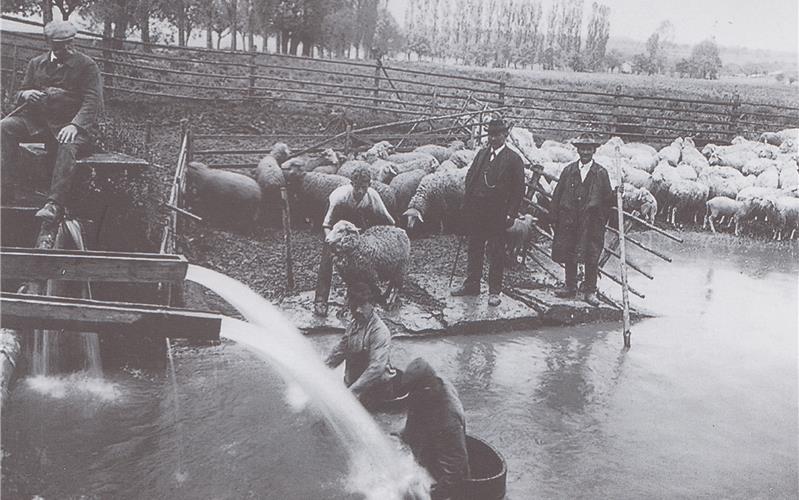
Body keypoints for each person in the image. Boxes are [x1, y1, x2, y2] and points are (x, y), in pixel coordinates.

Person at [1, 20, 103, 222]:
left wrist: (75, 125)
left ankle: (54, 204)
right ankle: (6, 188)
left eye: (70, 42)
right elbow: (19, 92)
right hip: (40, 124)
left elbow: (93, 101)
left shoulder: (87, 65)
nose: (66, 47)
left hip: (74, 127)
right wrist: (26, 94)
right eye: (60, 43)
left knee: (66, 143)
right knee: (4, 127)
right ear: (49, 43)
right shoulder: (36, 63)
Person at [451, 117, 525, 306]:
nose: (492, 138)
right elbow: (471, 177)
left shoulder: (514, 159)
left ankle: (494, 291)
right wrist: (467, 203)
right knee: (474, 247)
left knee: (496, 251)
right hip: (477, 211)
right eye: (490, 135)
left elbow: (519, 190)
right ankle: (472, 284)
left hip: (498, 214)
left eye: (497, 135)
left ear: (505, 135)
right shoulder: (482, 154)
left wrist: (511, 213)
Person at [314, 165, 395, 316]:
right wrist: (332, 242)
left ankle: (363, 295)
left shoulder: (372, 196)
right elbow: (326, 224)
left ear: (369, 186)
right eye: (356, 187)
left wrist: (384, 237)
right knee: (328, 257)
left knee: (362, 258)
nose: (359, 191)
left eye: (363, 187)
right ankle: (320, 299)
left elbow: (389, 220)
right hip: (336, 224)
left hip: (357, 223)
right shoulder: (339, 196)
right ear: (351, 184)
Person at [549, 132, 615, 306]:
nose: (585, 152)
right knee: (569, 251)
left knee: (591, 253)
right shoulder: (569, 170)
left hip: (591, 220)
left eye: (589, 149)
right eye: (582, 149)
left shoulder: (600, 173)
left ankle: (590, 290)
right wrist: (554, 215)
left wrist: (616, 196)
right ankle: (570, 286)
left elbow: (607, 199)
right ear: (577, 150)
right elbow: (557, 194)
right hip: (570, 218)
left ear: (594, 150)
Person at [398, 357, 470, 500]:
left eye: (414, 393)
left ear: (426, 390)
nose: (411, 397)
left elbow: (455, 469)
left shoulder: (447, 418)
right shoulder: (433, 383)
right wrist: (403, 436)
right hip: (434, 440)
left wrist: (434, 495)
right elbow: (413, 417)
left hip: (448, 471)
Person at [324, 282, 397, 406]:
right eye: (354, 305)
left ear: (372, 305)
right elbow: (340, 351)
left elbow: (376, 368)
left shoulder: (379, 332)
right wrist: (321, 370)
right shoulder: (353, 326)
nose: (357, 310)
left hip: (375, 388)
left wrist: (352, 392)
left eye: (362, 305)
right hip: (354, 385)